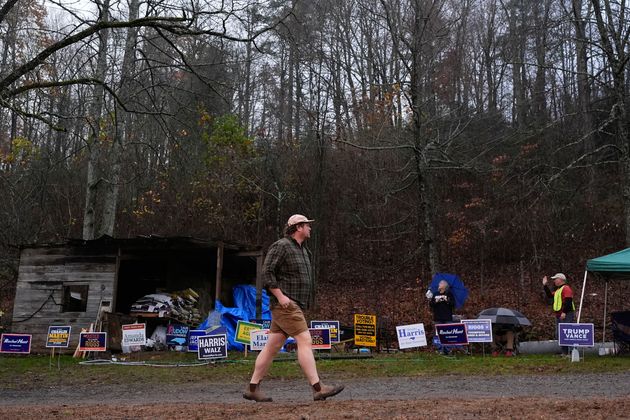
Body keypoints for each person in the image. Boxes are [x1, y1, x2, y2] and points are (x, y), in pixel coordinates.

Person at [243, 214, 344, 402]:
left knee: (271, 348)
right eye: (307, 225)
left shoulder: (304, 251)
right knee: (305, 340)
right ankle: (318, 388)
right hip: (286, 305)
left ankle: (252, 389)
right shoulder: (281, 246)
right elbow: (267, 273)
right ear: (298, 227)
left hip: (294, 304)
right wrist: (280, 297)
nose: (310, 228)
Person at [542, 273, 576, 356]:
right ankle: (564, 352)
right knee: (560, 333)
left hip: (566, 314)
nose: (554, 280)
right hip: (559, 315)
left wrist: (564, 312)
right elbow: (550, 295)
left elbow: (568, 301)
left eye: (555, 279)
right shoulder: (558, 290)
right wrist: (545, 285)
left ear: (561, 279)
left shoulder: (566, 288)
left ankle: (570, 352)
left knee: (567, 332)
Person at [426, 280, 455, 354]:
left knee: (448, 334)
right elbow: (431, 305)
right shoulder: (435, 294)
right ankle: (440, 349)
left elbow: (453, 305)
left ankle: (448, 350)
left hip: (447, 318)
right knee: (437, 334)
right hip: (438, 318)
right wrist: (436, 301)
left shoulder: (449, 294)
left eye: (441, 283)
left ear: (444, 286)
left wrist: (447, 300)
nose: (439, 284)